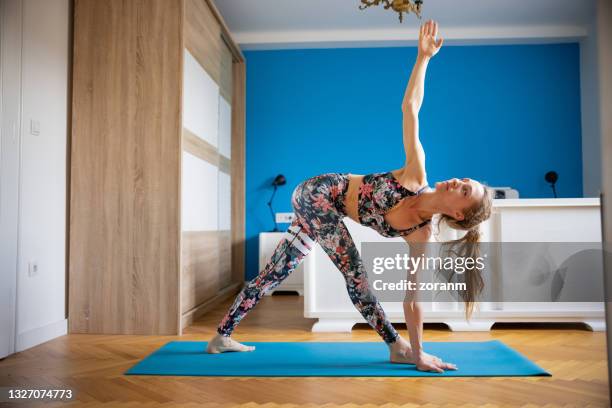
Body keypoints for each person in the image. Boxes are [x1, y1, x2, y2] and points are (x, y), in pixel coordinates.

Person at [207, 19, 493, 373]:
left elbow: (413, 301)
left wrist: (421, 353)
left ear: (460, 214)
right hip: (319, 192)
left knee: (277, 271)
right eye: (464, 179)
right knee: (356, 275)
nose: (457, 181)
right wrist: (423, 59)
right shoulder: (416, 173)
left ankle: (221, 335)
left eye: (465, 190)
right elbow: (411, 109)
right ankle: (394, 345)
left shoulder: (422, 237)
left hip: (325, 213)